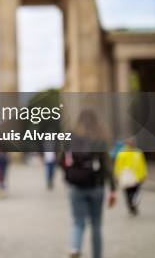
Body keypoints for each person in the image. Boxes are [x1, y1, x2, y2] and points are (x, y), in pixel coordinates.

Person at [60, 110, 116, 258]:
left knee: (78, 222)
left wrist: (68, 177)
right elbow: (107, 166)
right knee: (96, 224)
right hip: (96, 186)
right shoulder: (100, 138)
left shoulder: (71, 137)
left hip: (76, 185)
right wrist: (113, 189)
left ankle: (75, 249)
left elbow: (63, 160)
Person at [113, 138, 147, 216]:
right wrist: (117, 175)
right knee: (131, 193)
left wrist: (144, 174)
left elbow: (142, 164)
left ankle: (132, 205)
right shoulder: (125, 153)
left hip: (132, 177)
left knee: (132, 193)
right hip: (130, 177)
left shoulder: (136, 153)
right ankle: (132, 206)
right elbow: (118, 165)